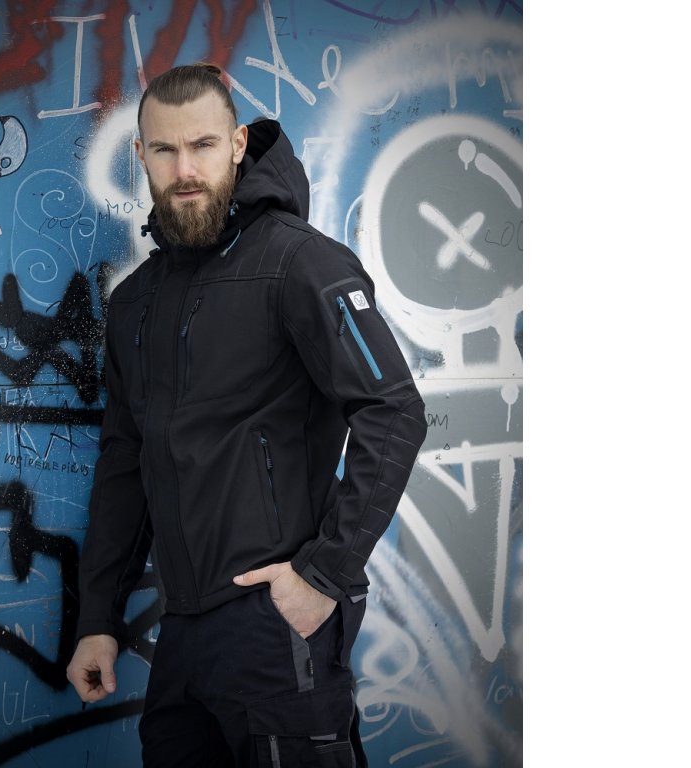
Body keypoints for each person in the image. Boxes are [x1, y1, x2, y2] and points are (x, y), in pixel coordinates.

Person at [67, 63, 427, 767]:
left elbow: (393, 409)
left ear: (236, 145)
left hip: (278, 627)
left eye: (202, 145)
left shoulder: (301, 263)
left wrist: (323, 575)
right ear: (140, 155)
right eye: (165, 150)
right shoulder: (136, 303)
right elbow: (125, 465)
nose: (185, 170)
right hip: (182, 639)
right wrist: (99, 619)